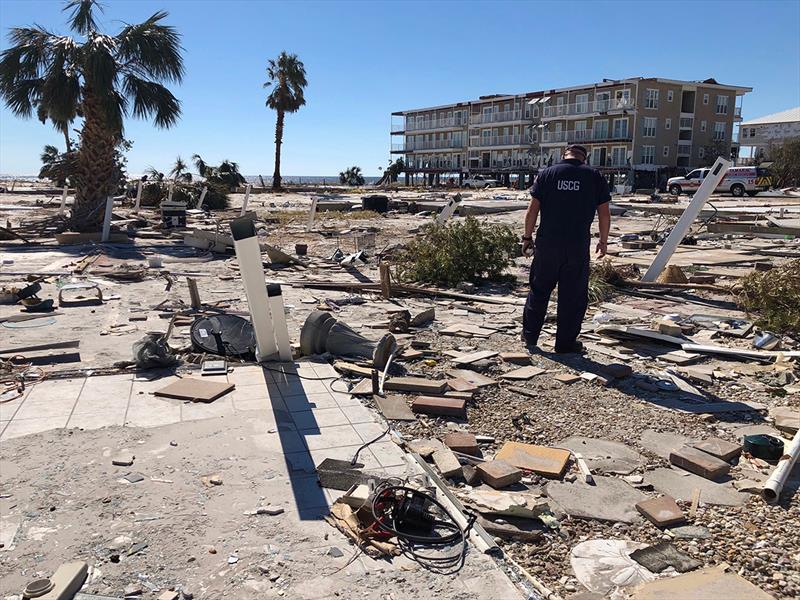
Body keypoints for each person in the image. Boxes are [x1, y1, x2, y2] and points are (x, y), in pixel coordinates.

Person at [521, 144, 611, 353]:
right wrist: (603, 241)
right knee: (572, 295)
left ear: (564, 155)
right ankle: (565, 343)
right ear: (584, 158)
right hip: (577, 245)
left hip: (547, 244)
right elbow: (604, 214)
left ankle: (530, 336)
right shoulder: (594, 176)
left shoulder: (548, 174)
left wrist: (527, 237)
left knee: (539, 289)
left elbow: (532, 209)